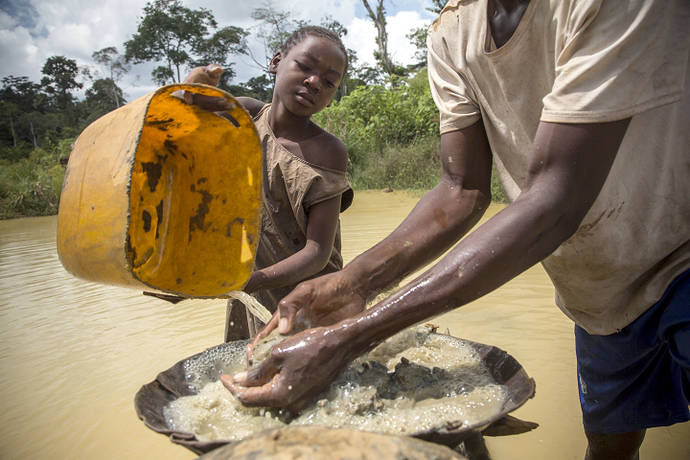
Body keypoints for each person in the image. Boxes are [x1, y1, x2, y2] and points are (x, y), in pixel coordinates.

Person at [221, 1, 690, 459]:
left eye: (329, 80)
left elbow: (556, 197)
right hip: (598, 289)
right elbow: (461, 190)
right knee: (611, 438)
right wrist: (353, 284)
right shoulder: (453, 30)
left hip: (680, 254)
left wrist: (353, 334)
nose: (315, 84)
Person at [180, 26, 354, 339]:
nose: (314, 82)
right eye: (304, 66)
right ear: (276, 61)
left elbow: (318, 251)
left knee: (316, 374)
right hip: (255, 290)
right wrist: (194, 86)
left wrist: (250, 281)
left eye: (329, 82)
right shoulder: (245, 114)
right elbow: (184, 115)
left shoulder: (328, 151)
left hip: (313, 297)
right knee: (251, 368)